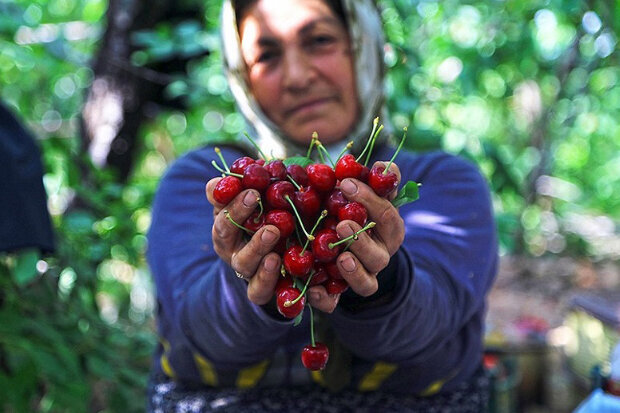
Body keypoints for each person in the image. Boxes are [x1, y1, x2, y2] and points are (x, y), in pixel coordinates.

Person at [146, 0, 498, 411]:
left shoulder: (442, 183)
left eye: (320, 41)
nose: (297, 76)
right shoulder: (208, 183)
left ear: (363, 43)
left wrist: (379, 282)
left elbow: (428, 324)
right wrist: (250, 279)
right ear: (242, 75)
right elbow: (207, 330)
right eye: (267, 55)